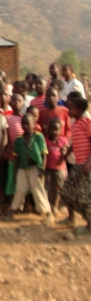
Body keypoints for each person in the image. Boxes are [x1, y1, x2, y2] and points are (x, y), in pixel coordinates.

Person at [5, 114, 54, 225]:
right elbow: (16, 157)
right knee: (20, 189)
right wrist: (16, 172)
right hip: (22, 168)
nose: (26, 126)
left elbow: (44, 154)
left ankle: (47, 212)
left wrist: (42, 169)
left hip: (35, 168)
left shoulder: (39, 137)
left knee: (38, 190)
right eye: (23, 124)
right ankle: (13, 209)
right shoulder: (19, 139)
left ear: (34, 124)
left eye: (28, 123)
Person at [60, 98, 91, 234]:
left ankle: (89, 226)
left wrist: (88, 163)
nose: (68, 110)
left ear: (79, 110)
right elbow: (75, 142)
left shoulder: (86, 122)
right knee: (66, 191)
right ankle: (71, 218)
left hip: (85, 166)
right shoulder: (76, 123)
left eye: (71, 108)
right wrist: (65, 156)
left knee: (85, 197)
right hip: (78, 165)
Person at [44, 120, 69, 215]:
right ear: (48, 129)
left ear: (60, 131)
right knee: (47, 188)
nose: (54, 132)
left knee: (58, 188)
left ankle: (55, 206)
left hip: (59, 169)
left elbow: (66, 152)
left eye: (56, 130)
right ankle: (48, 207)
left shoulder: (62, 141)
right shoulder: (45, 140)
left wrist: (64, 153)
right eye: (52, 129)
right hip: (47, 169)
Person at [5, 93, 25, 196]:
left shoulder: (25, 119)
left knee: (21, 176)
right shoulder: (7, 118)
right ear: (10, 103)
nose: (16, 103)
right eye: (14, 101)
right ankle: (10, 197)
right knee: (11, 176)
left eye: (19, 101)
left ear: (23, 103)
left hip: (22, 155)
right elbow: (6, 134)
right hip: (11, 154)